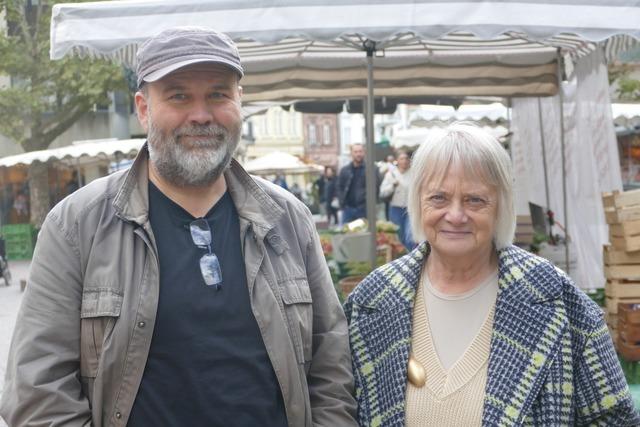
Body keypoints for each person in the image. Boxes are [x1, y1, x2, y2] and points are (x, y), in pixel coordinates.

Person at [0, 27, 357, 427]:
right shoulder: (76, 226)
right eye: (179, 95)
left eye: (218, 94)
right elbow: (37, 390)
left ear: (240, 101)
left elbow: (332, 369)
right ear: (142, 107)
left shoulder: (288, 219)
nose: (201, 115)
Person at [345, 123, 639, 426]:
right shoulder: (372, 301)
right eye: (439, 198)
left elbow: (614, 419)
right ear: (418, 202)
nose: (456, 215)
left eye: (475, 199)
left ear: (501, 206)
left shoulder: (558, 299)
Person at [379, 149, 414, 250]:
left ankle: (410, 258)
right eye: (402, 158)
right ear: (397, 160)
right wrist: (392, 186)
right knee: (399, 236)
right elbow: (383, 192)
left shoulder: (414, 174)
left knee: (409, 237)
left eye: (406, 158)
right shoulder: (391, 175)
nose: (404, 161)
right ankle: (401, 256)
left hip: (410, 210)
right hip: (396, 209)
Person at [337, 143, 380, 224]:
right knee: (347, 234)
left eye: (360, 151)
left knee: (364, 235)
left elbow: (376, 188)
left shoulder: (372, 169)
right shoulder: (344, 170)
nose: (358, 154)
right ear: (351, 153)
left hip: (365, 209)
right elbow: (339, 187)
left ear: (364, 152)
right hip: (348, 209)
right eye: (356, 152)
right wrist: (342, 203)